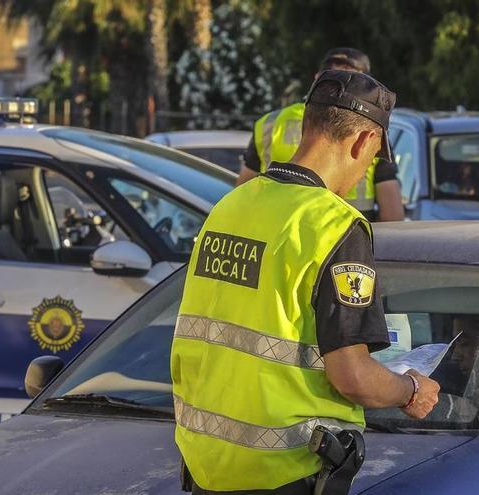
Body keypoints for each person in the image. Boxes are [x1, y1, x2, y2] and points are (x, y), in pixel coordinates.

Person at [171, 70, 440, 495]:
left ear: (308, 125)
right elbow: (351, 376)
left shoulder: (230, 206)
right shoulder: (334, 225)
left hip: (208, 467)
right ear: (363, 143)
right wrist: (410, 389)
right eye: (373, 158)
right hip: (285, 470)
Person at [236, 47, 405, 222]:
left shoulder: (270, 123)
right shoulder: (370, 131)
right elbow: (392, 215)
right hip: (345, 235)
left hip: (273, 231)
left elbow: (242, 196)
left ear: (318, 80)